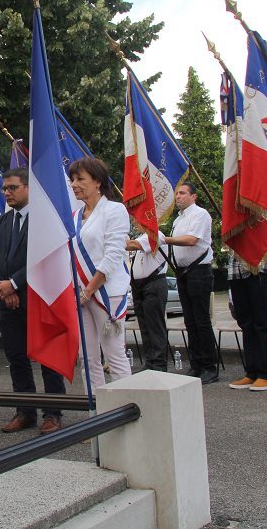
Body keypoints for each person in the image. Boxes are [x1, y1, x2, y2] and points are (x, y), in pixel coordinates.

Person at [0, 168, 66, 434]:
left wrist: (15, 284)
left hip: (36, 299)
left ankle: (53, 413)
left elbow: (43, 259)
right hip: (6, 302)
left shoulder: (45, 221)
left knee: (47, 358)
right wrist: (3, 288)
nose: (6, 192)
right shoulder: (0, 222)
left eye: (12, 188)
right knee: (17, 358)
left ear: (28, 188)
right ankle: (25, 411)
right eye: (4, 189)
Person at [68, 157, 131, 389]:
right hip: (82, 294)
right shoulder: (75, 218)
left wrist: (89, 289)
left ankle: (126, 409)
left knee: (114, 356)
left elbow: (113, 255)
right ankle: (96, 410)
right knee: (88, 358)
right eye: (72, 179)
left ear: (97, 182)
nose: (74, 184)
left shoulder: (114, 210)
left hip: (106, 294)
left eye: (80, 179)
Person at [165, 183, 218, 383]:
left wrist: (165, 240)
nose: (177, 196)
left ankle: (209, 366)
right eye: (176, 193)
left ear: (193, 196)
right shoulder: (178, 219)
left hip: (199, 272)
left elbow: (191, 240)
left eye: (182, 193)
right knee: (190, 321)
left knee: (201, 320)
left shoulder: (200, 214)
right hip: (183, 273)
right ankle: (196, 364)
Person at [226, 250, 267, 391]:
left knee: (261, 322)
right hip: (236, 267)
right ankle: (252, 372)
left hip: (259, 263)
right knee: (246, 323)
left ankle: (265, 374)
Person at [125, 228, 168, 372]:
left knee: (155, 326)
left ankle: (159, 365)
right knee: (144, 327)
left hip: (153, 283)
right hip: (139, 286)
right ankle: (150, 362)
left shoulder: (156, 233)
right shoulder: (142, 236)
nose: (136, 222)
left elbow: (133, 245)